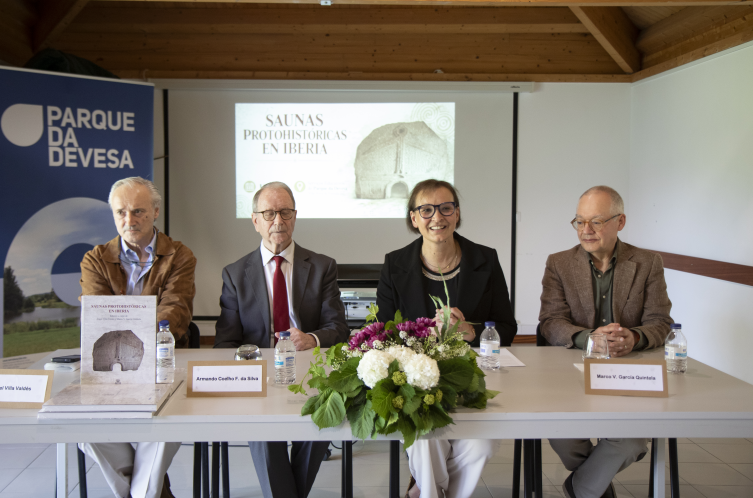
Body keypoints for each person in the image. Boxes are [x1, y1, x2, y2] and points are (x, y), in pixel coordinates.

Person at [376, 179, 517, 498]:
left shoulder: (486, 259)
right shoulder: (394, 264)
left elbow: (507, 327)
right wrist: (421, 335)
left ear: (457, 213)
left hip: (473, 378)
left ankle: (423, 491)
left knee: (481, 446)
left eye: (446, 208)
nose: (437, 217)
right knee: (426, 440)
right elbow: (385, 333)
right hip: (417, 381)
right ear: (414, 218)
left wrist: (472, 332)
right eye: (426, 210)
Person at [215, 181, 349, 498]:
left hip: (310, 370)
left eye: (286, 212)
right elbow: (225, 343)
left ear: (295, 217)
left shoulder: (322, 266)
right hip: (260, 375)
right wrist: (250, 364)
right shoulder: (235, 273)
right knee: (261, 426)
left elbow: (339, 328)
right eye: (269, 213)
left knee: (325, 413)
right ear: (255, 220)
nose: (278, 220)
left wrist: (312, 338)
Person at [539, 185, 673, 498]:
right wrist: (590, 339)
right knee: (562, 435)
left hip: (630, 373)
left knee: (631, 440)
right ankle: (593, 486)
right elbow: (551, 322)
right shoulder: (559, 263)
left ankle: (581, 487)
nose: (585, 230)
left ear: (620, 222)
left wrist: (634, 337)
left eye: (596, 222)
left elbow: (660, 322)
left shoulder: (648, 262)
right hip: (571, 373)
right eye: (579, 221)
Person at [80, 176, 197, 498]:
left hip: (162, 363)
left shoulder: (180, 255)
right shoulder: (95, 259)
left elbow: (175, 312)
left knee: (164, 423)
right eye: (121, 212)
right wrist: (130, 327)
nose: (129, 220)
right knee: (82, 426)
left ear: (155, 212)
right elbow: (97, 315)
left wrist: (128, 333)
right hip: (106, 364)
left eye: (138, 211)